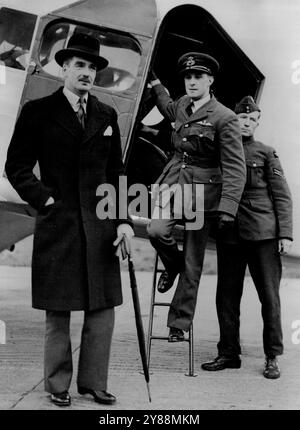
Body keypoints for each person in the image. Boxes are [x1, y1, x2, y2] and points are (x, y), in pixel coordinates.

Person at [5, 33, 134, 406]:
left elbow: (117, 173)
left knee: (102, 308)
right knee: (57, 308)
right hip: (58, 223)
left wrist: (123, 221)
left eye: (92, 67)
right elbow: (15, 166)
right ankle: (58, 385)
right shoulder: (38, 112)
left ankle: (94, 383)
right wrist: (45, 200)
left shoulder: (106, 115)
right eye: (79, 65)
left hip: (100, 226)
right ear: (64, 68)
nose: (87, 73)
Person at [147, 52, 246, 342]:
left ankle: (178, 322)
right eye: (188, 77)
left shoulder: (225, 117)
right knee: (156, 229)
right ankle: (172, 264)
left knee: (193, 260)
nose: (192, 81)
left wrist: (228, 207)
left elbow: (235, 167)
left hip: (203, 193)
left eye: (198, 77)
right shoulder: (181, 105)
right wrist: (155, 83)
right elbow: (166, 106)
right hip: (173, 181)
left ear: (210, 80)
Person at [201, 96, 293, 379]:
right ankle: (229, 353)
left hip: (263, 234)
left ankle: (272, 356)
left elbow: (281, 195)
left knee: (269, 296)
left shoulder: (266, 152)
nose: (247, 123)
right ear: (233, 120)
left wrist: (285, 234)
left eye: (253, 119)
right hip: (230, 233)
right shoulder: (221, 151)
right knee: (227, 296)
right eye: (243, 118)